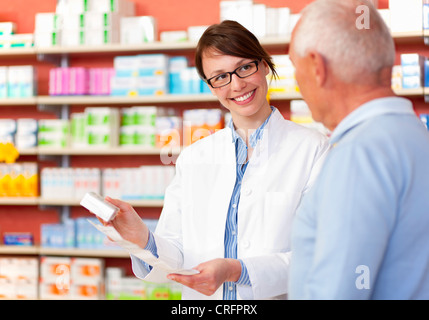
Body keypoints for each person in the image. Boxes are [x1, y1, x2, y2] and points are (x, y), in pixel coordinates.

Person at [104, 20, 329, 300]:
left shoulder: (314, 149)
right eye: (220, 77)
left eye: (245, 67)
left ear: (264, 65)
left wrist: (237, 270)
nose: (237, 84)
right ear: (211, 86)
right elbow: (176, 255)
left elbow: (320, 253)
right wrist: (142, 239)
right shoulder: (194, 157)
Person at [288, 0, 429, 299]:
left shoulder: (358, 154)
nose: (297, 83)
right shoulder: (415, 135)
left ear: (316, 66)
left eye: (295, 67)